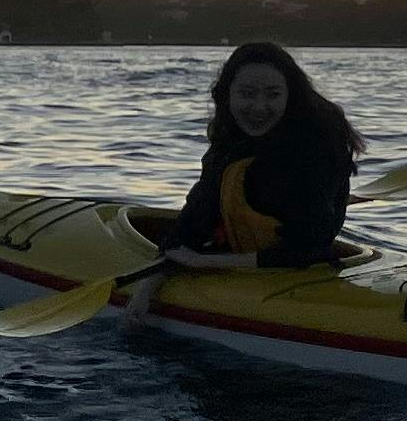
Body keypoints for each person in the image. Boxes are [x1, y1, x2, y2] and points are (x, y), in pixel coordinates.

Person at [134, 41, 363, 301]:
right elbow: (194, 220)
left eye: (273, 94)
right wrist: (148, 287)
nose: (259, 107)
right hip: (250, 267)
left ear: (291, 95)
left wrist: (201, 262)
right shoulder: (230, 141)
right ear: (227, 94)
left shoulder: (316, 147)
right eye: (247, 94)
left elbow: (311, 247)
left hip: (306, 273)